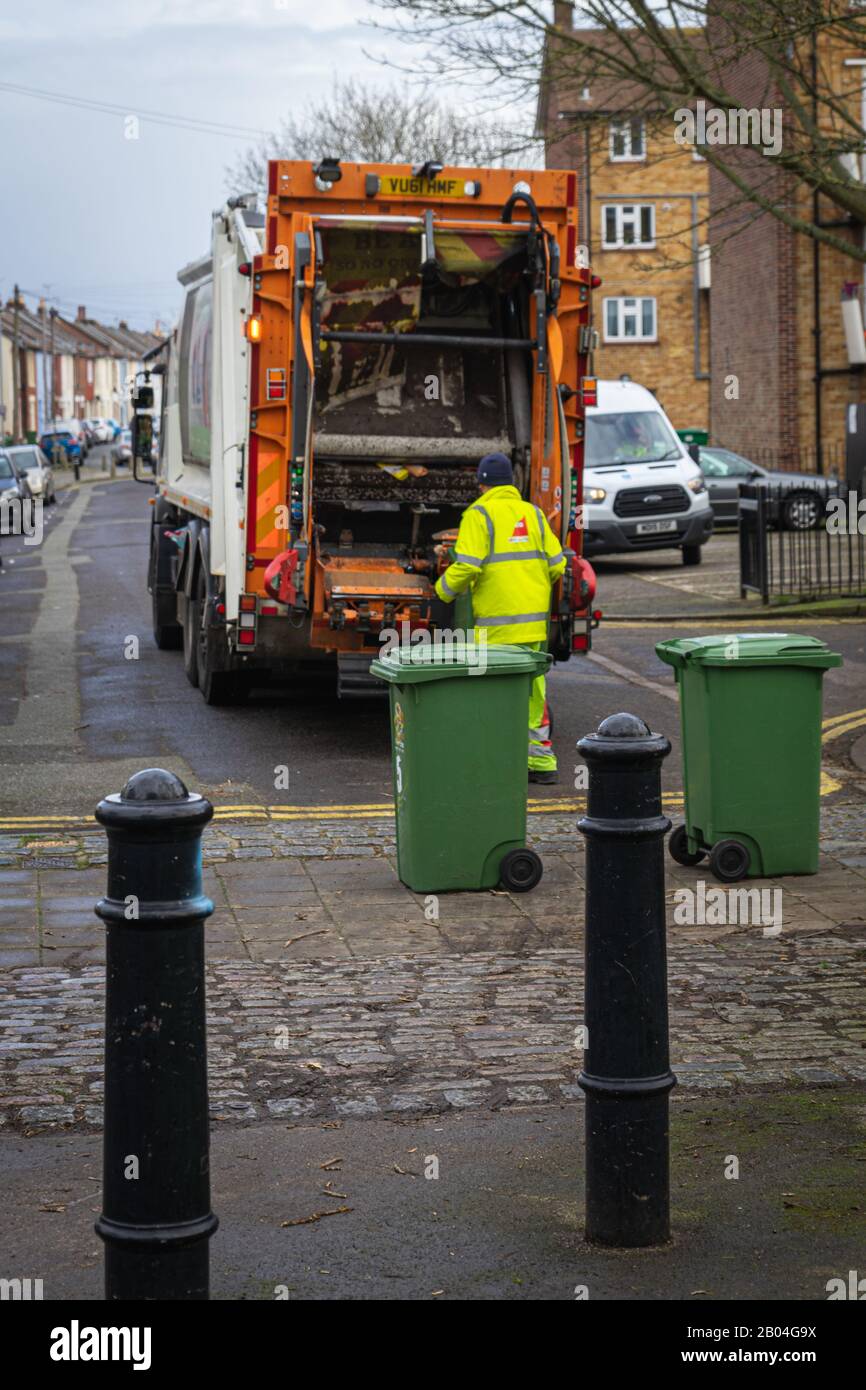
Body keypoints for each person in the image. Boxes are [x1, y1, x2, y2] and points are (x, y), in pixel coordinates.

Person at [434, 452, 567, 784]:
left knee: (493, 692)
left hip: (496, 626)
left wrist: (441, 592)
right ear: (512, 482)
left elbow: (468, 565)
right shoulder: (533, 514)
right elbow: (557, 564)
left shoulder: (478, 515)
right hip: (534, 624)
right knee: (533, 690)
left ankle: (496, 762)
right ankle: (541, 764)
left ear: (481, 484)